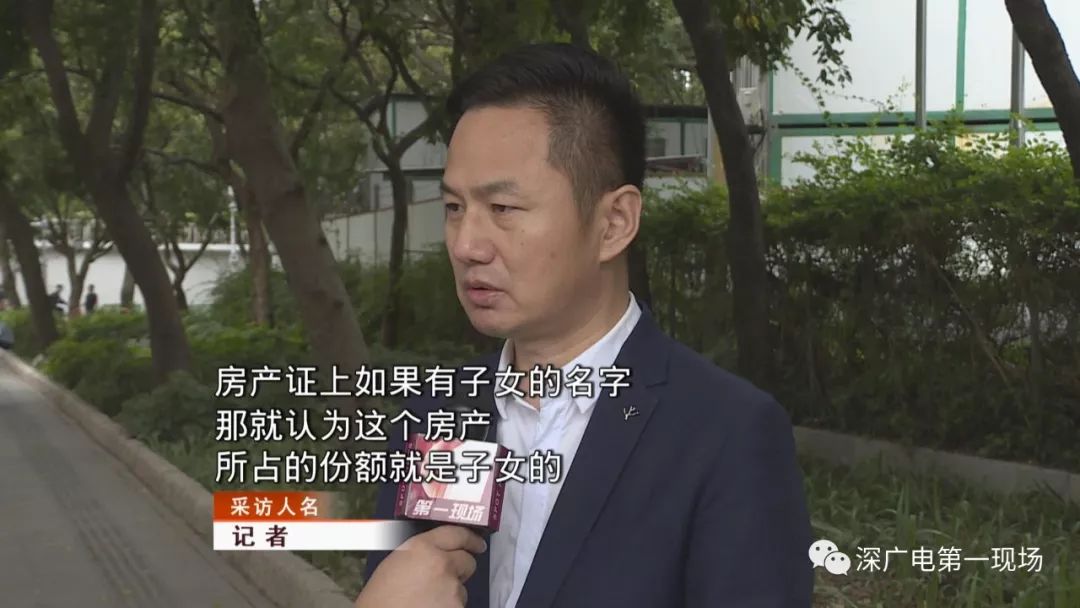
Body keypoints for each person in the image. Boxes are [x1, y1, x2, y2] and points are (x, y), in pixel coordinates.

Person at [360, 43, 812, 608]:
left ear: (614, 223)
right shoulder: (438, 412)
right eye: (454, 208)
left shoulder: (726, 437)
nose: (466, 245)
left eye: (502, 209)